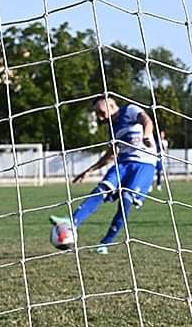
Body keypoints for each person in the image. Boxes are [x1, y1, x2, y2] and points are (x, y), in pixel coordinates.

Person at [49, 97, 156, 255]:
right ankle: (72, 221)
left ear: (111, 104)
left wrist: (147, 136)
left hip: (144, 164)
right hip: (123, 164)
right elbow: (111, 154)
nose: (100, 117)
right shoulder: (112, 128)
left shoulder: (130, 110)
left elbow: (147, 120)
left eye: (101, 112)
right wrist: (89, 171)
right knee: (101, 189)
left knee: (125, 201)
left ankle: (105, 242)